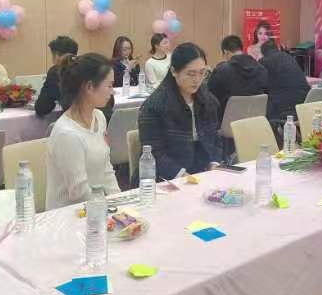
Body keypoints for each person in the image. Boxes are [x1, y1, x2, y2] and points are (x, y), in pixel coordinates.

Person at [45, 53, 120, 210]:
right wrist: (110, 209)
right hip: (70, 213)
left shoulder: (99, 117)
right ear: (90, 87)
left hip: (97, 206)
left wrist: (119, 201)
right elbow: (79, 192)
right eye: (109, 85)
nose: (112, 91)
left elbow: (106, 169)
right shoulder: (67, 134)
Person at [138, 43, 222, 179]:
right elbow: (154, 153)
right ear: (173, 71)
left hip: (201, 171)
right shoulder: (154, 106)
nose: (197, 80)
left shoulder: (207, 100)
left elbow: (216, 139)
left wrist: (214, 163)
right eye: (191, 74)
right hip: (165, 177)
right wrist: (182, 175)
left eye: (202, 73)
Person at [208, 35, 268, 116]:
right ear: (241, 49)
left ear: (226, 52)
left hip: (228, 121)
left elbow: (210, 96)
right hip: (255, 120)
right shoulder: (262, 70)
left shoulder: (221, 71)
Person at [259, 39, 310, 122]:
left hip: (283, 107)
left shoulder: (264, 61)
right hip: (303, 103)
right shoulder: (289, 57)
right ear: (277, 49)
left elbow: (261, 84)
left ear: (263, 53)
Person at [35, 35, 78, 117]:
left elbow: (42, 108)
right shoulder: (85, 66)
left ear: (57, 55)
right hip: (100, 117)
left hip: (76, 120)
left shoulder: (55, 72)